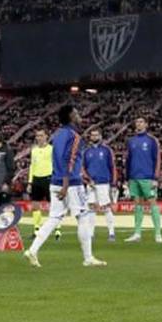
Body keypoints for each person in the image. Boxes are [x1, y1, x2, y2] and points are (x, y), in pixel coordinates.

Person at [23, 105, 106, 268]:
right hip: (71, 184)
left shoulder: (57, 135)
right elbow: (68, 160)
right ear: (71, 117)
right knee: (83, 216)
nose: (79, 115)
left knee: (54, 218)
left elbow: (58, 158)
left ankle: (33, 250)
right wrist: (66, 184)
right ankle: (88, 258)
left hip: (55, 182)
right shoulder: (74, 136)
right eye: (76, 113)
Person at [125, 117, 162, 243]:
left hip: (148, 177)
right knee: (137, 204)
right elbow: (128, 160)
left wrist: (155, 177)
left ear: (146, 124)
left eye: (141, 122)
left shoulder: (152, 140)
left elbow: (157, 159)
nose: (139, 124)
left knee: (152, 202)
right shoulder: (131, 141)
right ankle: (137, 233)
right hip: (134, 177)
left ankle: (158, 233)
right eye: (137, 122)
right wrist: (127, 177)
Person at [82, 128, 118, 242]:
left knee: (106, 208)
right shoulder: (86, 152)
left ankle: (111, 233)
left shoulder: (107, 150)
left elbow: (112, 166)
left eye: (96, 135)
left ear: (100, 136)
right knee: (91, 208)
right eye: (92, 135)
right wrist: (88, 179)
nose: (94, 137)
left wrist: (114, 182)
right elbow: (82, 168)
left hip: (103, 183)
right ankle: (91, 234)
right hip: (91, 184)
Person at [27, 130, 55, 238]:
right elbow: (32, 166)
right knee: (35, 206)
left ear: (46, 137)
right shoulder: (34, 150)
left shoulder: (51, 149)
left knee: (52, 206)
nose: (39, 137)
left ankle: (52, 229)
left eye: (41, 135)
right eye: (37, 136)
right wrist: (30, 182)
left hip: (48, 178)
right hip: (36, 179)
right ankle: (36, 230)